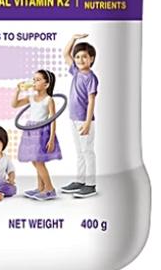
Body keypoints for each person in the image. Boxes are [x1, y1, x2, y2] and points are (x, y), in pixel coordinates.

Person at [12, 70, 62, 201]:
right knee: (35, 160)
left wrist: (51, 139)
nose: (34, 82)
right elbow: (14, 105)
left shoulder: (48, 100)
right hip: (30, 131)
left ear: (46, 84)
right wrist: (17, 91)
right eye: (33, 79)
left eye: (38, 80)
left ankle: (49, 189)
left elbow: (53, 119)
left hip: (41, 132)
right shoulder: (31, 98)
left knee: (39, 162)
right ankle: (41, 187)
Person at [60, 34, 99, 198]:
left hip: (84, 120)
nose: (80, 59)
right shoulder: (76, 72)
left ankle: (91, 184)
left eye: (84, 56)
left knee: (87, 151)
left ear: (91, 59)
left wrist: (88, 122)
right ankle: (80, 180)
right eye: (77, 57)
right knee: (79, 152)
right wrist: (73, 39)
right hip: (74, 118)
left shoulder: (91, 78)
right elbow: (65, 53)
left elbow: (91, 101)